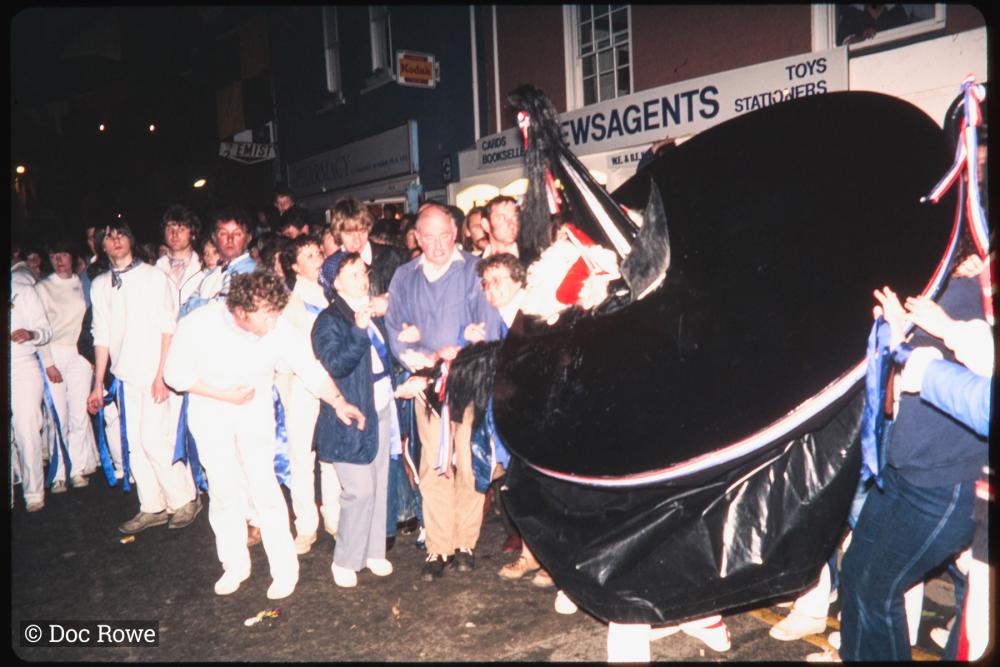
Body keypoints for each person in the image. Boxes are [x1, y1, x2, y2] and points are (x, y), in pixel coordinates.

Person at [163, 271, 364, 599]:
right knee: (224, 492)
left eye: (276, 313)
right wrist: (223, 394)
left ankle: (285, 570)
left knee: (265, 489)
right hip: (210, 411)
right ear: (240, 312)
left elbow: (309, 368)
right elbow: (174, 375)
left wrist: (339, 402)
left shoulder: (278, 326)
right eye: (267, 316)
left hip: (254, 412)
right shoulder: (199, 324)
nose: (274, 322)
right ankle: (234, 564)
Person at [838, 250, 988, 661]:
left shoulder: (972, 291)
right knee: (859, 577)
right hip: (907, 469)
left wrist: (940, 330)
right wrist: (901, 336)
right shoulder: (950, 282)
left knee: (874, 586)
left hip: (944, 482)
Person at [384, 202, 505, 581]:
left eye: (444, 237)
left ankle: (465, 543)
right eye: (429, 238)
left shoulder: (475, 271)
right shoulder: (403, 277)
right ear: (416, 238)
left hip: (469, 383)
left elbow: (486, 327)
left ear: (456, 235)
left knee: (468, 463)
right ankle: (438, 547)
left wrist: (457, 352)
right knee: (434, 466)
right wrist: (420, 361)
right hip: (427, 388)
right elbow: (395, 331)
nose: (437, 245)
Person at [86, 219, 201, 533]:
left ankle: (184, 499)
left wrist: (162, 375)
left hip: (154, 372)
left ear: (131, 240)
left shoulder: (154, 277)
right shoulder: (99, 286)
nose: (116, 240)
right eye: (109, 236)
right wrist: (98, 384)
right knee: (135, 444)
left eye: (122, 233)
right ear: (102, 246)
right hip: (125, 377)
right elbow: (102, 336)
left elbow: (168, 326)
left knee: (154, 439)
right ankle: (152, 505)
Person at [312, 253, 397, 587]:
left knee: (379, 482)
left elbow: (389, 356)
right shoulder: (329, 320)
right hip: (350, 412)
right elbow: (335, 364)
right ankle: (345, 559)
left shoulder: (373, 311)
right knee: (359, 490)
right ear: (335, 283)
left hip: (382, 404)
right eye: (351, 274)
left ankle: (374, 551)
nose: (361, 279)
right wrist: (360, 332)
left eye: (363, 272)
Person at [275, 235, 341, 554]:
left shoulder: (333, 293)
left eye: (318, 252)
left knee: (331, 455)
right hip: (302, 385)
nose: (317, 259)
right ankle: (305, 526)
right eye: (309, 255)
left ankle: (335, 518)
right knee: (302, 457)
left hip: (334, 382)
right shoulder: (291, 302)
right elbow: (291, 355)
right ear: (294, 266)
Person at [36, 239, 100, 491]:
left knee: (78, 415)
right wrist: (48, 363)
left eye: (63, 254)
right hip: (55, 355)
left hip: (80, 356)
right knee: (58, 416)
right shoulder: (42, 288)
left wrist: (94, 358)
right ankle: (59, 473)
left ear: (72, 257)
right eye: (54, 256)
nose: (59, 260)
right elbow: (38, 326)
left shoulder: (83, 283)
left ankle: (77, 469)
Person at [10, 274, 53, 512]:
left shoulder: (23, 290)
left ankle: (34, 491)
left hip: (22, 366)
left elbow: (45, 330)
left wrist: (31, 333)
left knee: (26, 428)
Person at [179, 206, 256, 317]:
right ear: (214, 238)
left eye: (237, 234)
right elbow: (185, 307)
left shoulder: (249, 270)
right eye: (223, 234)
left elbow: (223, 307)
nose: (230, 239)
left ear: (248, 238)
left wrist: (192, 305)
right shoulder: (213, 271)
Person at [155, 204, 204, 312]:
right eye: (169, 228)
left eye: (181, 229)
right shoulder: (155, 270)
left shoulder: (204, 268)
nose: (174, 234)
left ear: (193, 234)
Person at [836, 4, 910, 45]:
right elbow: (843, 44)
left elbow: (907, 41)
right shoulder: (851, 13)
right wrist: (863, 39)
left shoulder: (897, 12)